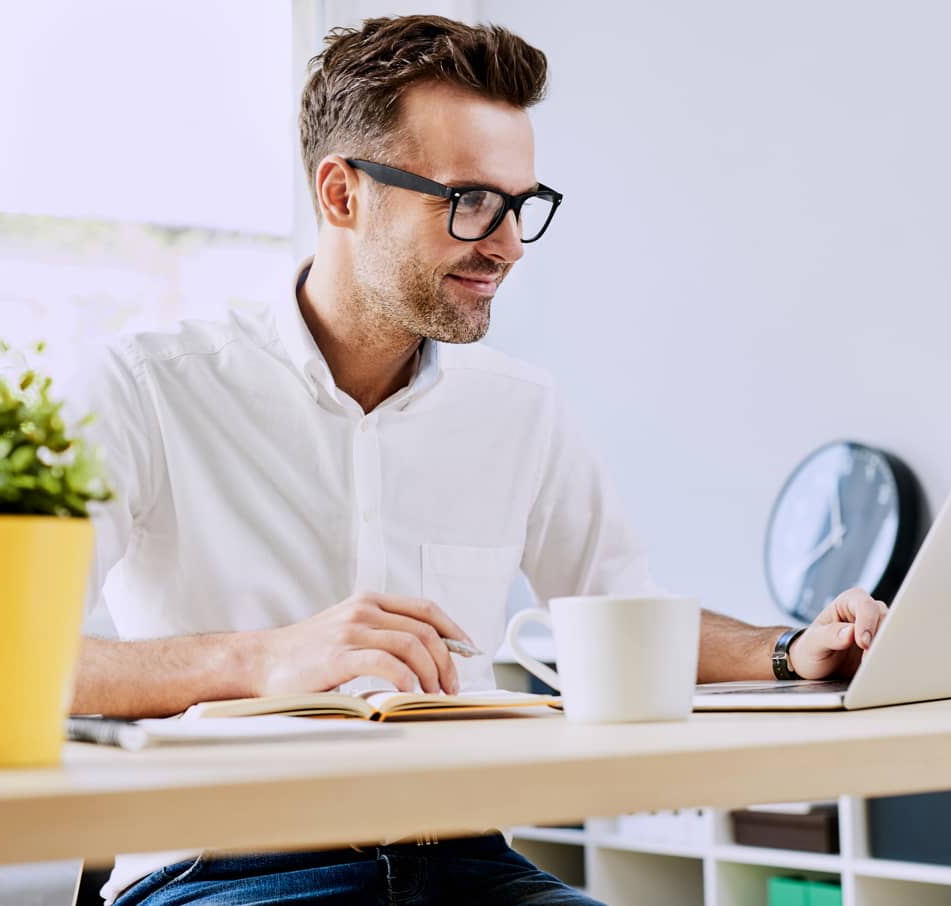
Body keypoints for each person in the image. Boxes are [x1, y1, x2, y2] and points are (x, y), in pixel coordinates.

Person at [71, 15, 888, 906]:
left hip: (466, 863)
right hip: (224, 873)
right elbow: (9, 667)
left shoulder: (519, 407)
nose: (504, 243)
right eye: (467, 200)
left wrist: (790, 649)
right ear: (342, 195)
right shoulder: (149, 386)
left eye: (521, 203)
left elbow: (619, 616)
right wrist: (262, 659)